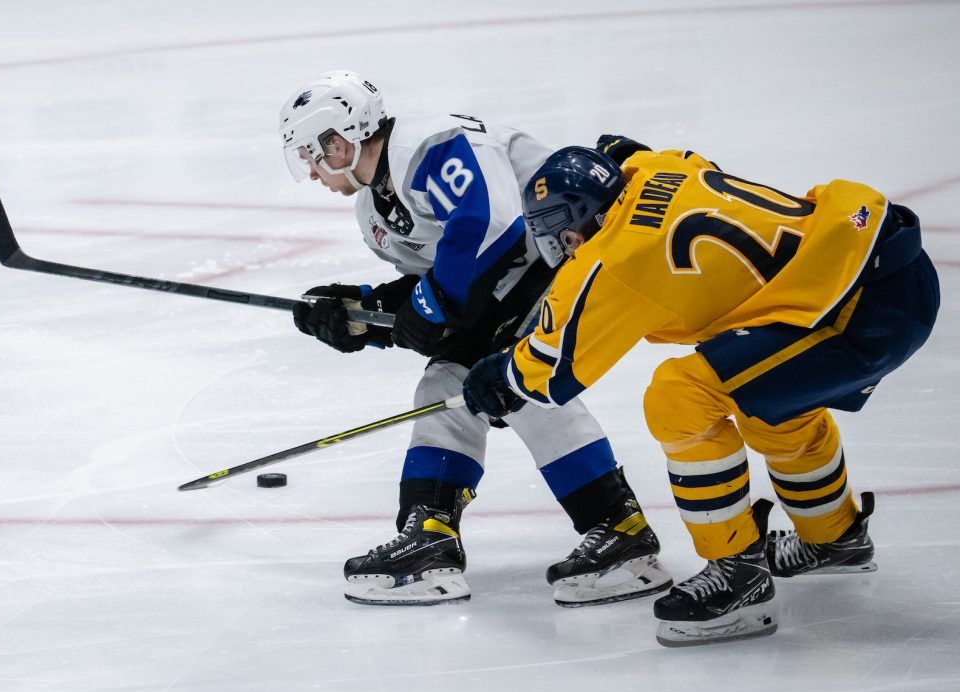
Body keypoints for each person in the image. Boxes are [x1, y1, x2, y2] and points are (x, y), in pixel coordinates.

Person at [463, 137, 939, 645]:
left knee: (680, 395)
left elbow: (552, 370)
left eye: (556, 228)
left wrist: (500, 378)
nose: (559, 243)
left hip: (857, 313)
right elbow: (670, 160)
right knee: (765, 397)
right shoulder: (653, 168)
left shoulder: (611, 261)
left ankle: (737, 569)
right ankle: (834, 536)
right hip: (881, 262)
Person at [278, 71, 672, 606]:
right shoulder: (375, 211)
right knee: (451, 380)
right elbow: (446, 292)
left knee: (513, 374)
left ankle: (621, 531)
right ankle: (431, 536)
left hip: (586, 245)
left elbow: (492, 227)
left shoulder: (428, 145)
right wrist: (360, 314)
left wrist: (427, 304)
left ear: (340, 139)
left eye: (311, 153)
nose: (311, 169)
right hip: (537, 267)